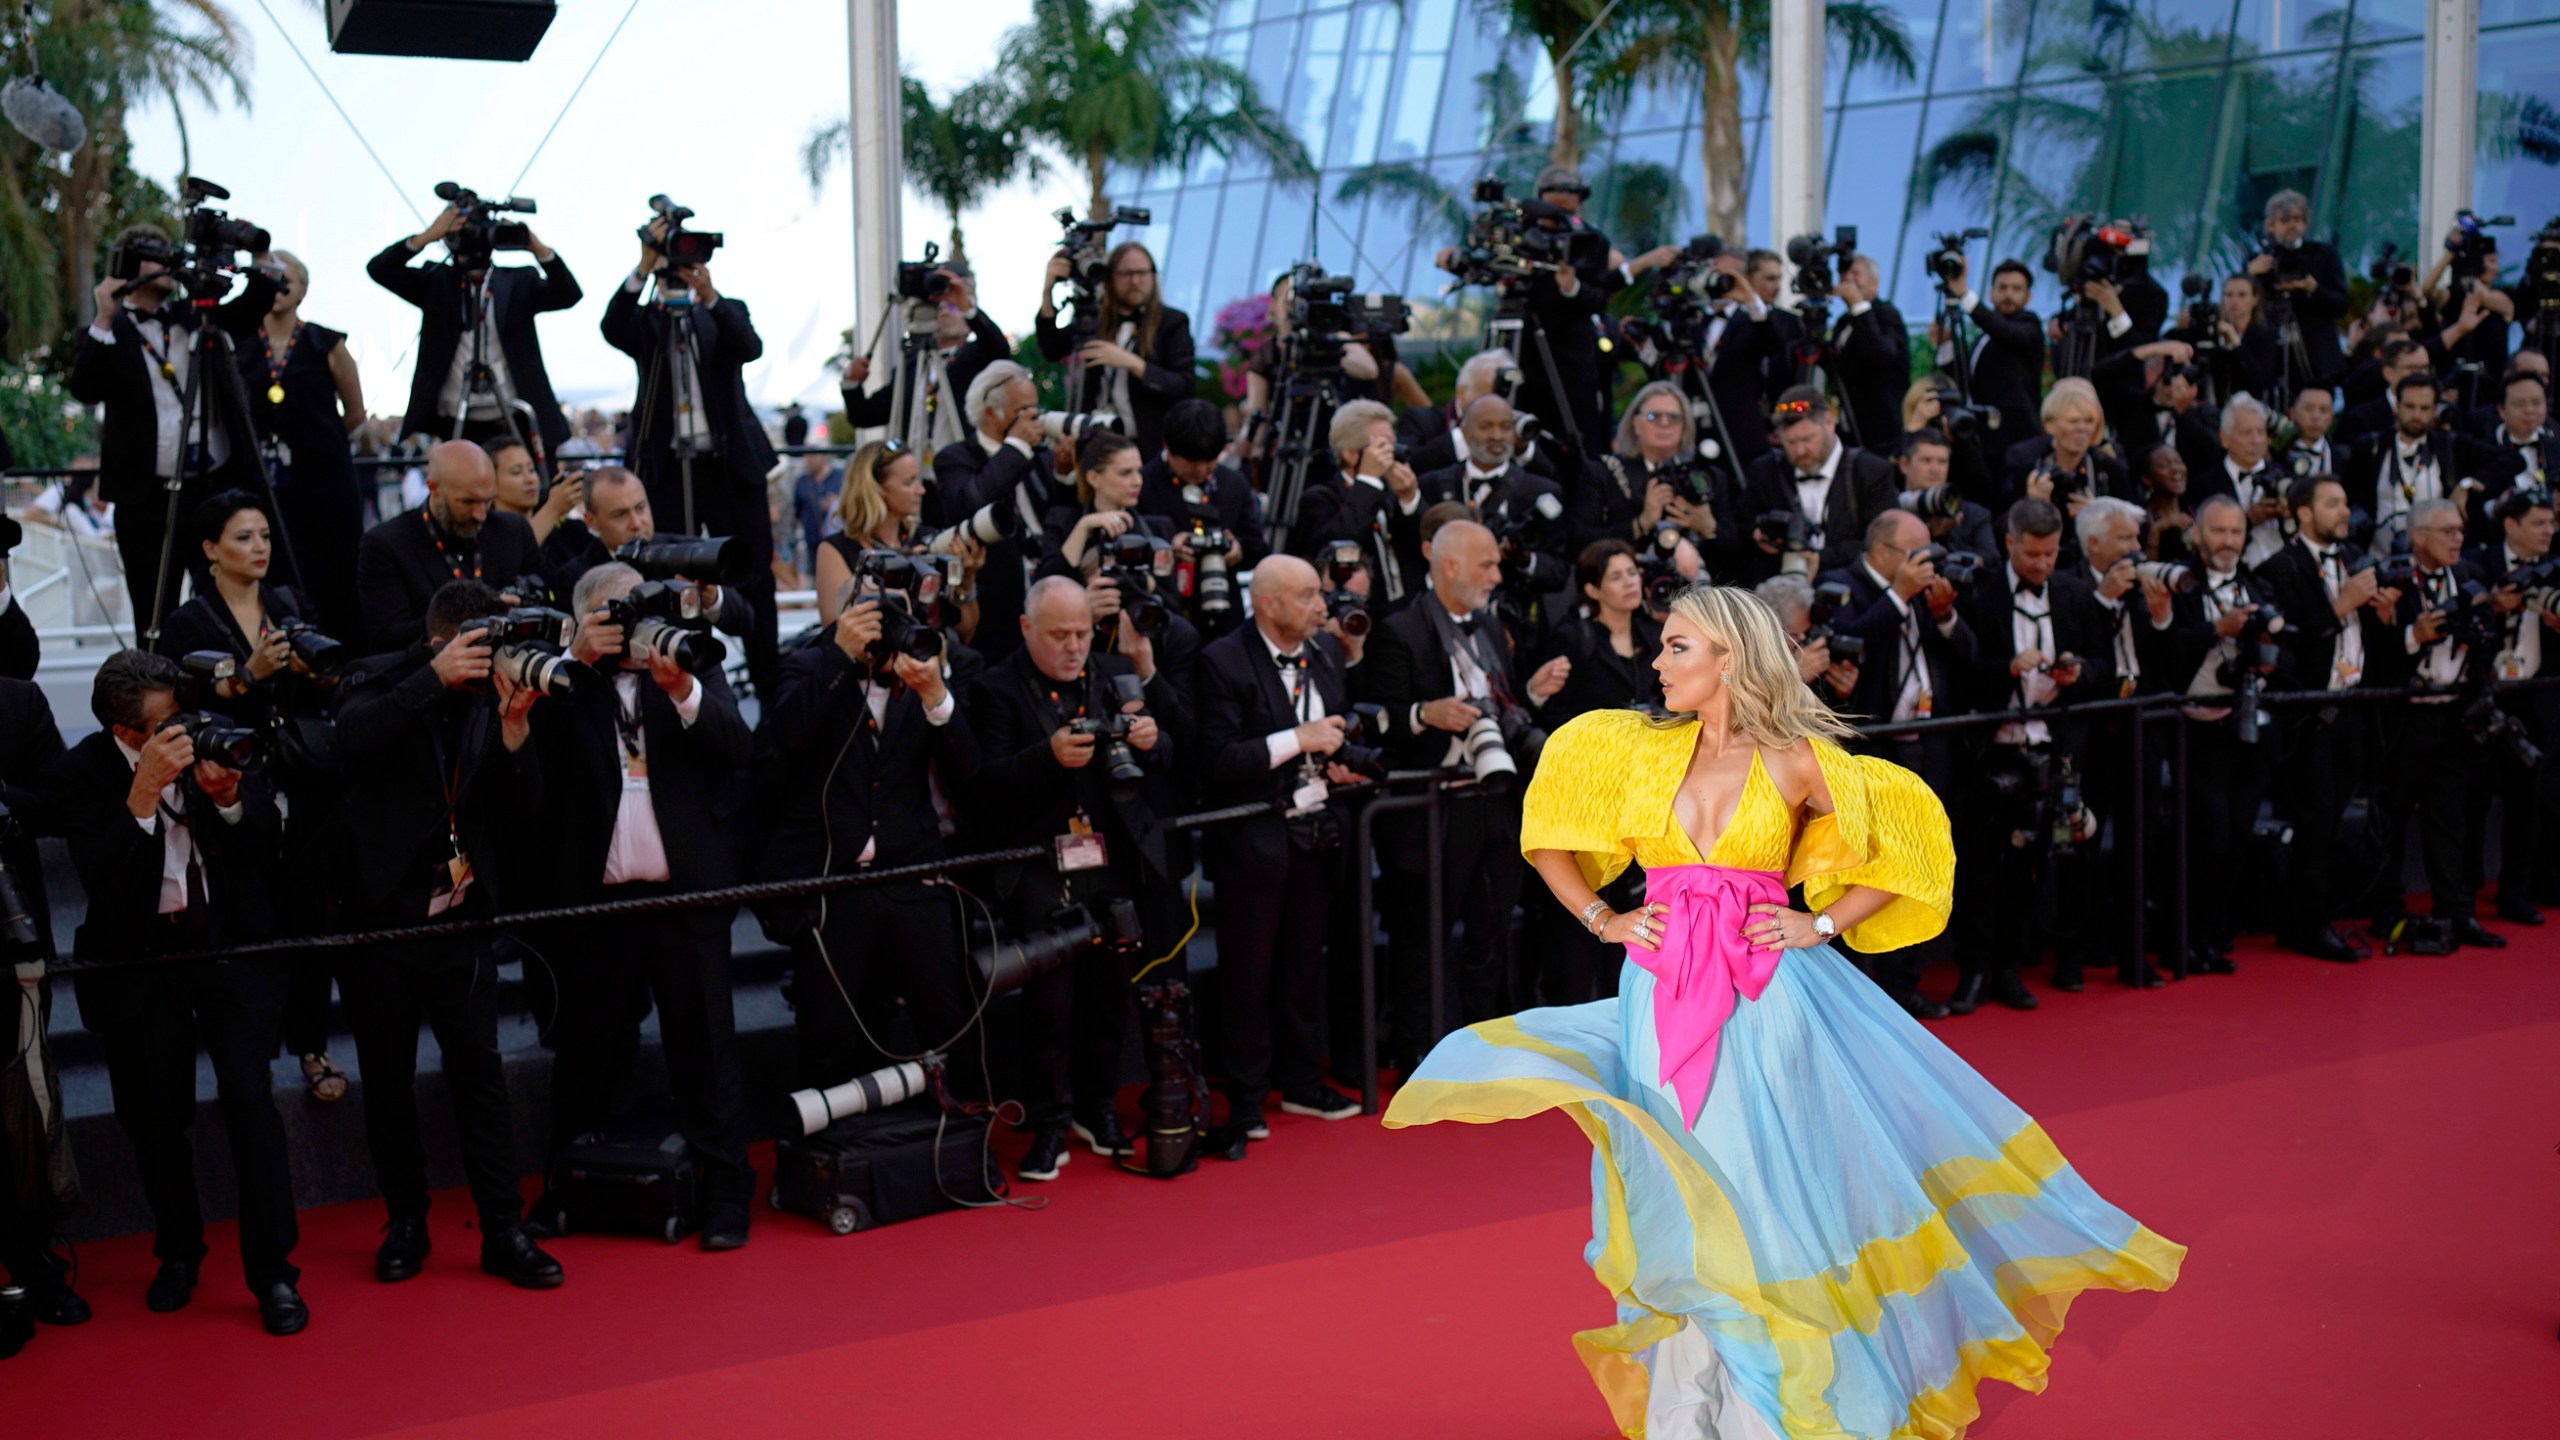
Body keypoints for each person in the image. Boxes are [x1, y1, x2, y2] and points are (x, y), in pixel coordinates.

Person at [1383, 583, 2182, 1438]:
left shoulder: (1798, 755)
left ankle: (1790, 1412)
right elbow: (1546, 838)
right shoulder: (1636, 750)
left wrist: (1824, 921)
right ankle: (1694, 1416)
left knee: (1764, 1196)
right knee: (1678, 1197)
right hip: (1656, 999)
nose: (1658, 662)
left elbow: (1906, 850)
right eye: (1661, 646)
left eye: (1677, 647)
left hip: (1766, 1006)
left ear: (1729, 656)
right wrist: (1604, 917)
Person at [58, 649, 307, 1334]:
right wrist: (142, 795)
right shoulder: (82, 772)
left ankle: (274, 1274)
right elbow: (105, 887)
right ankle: (179, 1253)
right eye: (170, 725)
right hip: (142, 961)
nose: (187, 732)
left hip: (228, 948)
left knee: (252, 1103)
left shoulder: (216, 740)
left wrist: (228, 798)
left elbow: (269, 844)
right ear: (130, 733)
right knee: (156, 1119)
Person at [332, 580, 562, 1290]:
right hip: (379, 926)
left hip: (460, 922)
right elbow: (348, 742)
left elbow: (525, 818)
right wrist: (430, 682)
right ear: (443, 642)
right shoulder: (378, 679)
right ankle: (406, 1223)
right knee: (390, 1083)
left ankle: (502, 1228)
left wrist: (517, 731)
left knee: (481, 1079)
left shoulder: (488, 700)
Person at [529, 562, 758, 1250]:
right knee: (585, 1055)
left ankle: (724, 1194)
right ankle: (566, 1183)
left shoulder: (690, 658)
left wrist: (681, 689)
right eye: (612, 614)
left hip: (685, 896)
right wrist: (573, 663)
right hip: (596, 908)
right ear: (582, 621)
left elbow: (738, 746)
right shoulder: (563, 683)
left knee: (706, 1053)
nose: (628, 624)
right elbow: (532, 761)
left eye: (635, 608)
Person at [966, 576, 1184, 1176]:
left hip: (1112, 859)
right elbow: (979, 787)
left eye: (1083, 632)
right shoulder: (993, 688)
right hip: (1037, 865)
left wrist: (1150, 737)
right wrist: (1047, 756)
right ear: (1026, 628)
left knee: (1111, 995)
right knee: (1049, 1006)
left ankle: (1098, 1109)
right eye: (1059, 634)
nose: (1073, 646)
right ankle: (1049, 1122)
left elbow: (1171, 758)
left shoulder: (1113, 672)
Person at [753, 571, 987, 1101]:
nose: (892, 628)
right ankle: (829, 1161)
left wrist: (937, 699)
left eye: (901, 614)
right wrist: (839, 654)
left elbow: (969, 774)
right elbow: (780, 742)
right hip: (833, 886)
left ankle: (967, 1142)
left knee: (949, 1016)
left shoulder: (925, 673)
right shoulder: (811, 665)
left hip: (911, 876)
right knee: (828, 1032)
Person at [153, 491, 351, 1104]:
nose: (259, 547)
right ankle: (255, 1053)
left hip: (303, 779)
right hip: (236, 788)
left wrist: (316, 674)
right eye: (243, 537)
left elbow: (328, 687)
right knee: (250, 920)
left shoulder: (288, 604)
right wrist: (248, 675)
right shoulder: (189, 622)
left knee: (310, 914)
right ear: (210, 550)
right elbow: (185, 704)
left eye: (264, 535)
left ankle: (313, 1046)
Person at [1357, 520, 1570, 1061]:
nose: (1497, 576)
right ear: (1449, 565)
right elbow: (1372, 722)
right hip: (1433, 809)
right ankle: (1423, 1055)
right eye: (1487, 565)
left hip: (1495, 800)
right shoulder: (1399, 628)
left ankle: (1486, 1049)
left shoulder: (1491, 627)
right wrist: (1424, 715)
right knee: (1423, 936)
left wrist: (1529, 695)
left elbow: (1496, 703)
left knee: (1492, 927)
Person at [1194, 555, 1367, 1137]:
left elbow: (1332, 735)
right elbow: (1216, 762)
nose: (1321, 606)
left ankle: (1299, 1081)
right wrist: (1298, 739)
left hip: (1318, 834)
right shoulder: (1221, 662)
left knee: (1300, 968)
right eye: (1305, 596)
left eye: (1319, 593)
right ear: (1265, 604)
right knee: (1247, 974)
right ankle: (1245, 1098)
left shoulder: (1325, 653)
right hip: (1253, 844)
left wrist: (1335, 763)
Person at [68, 225, 280, 632]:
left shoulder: (197, 315)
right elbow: (85, 388)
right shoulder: (111, 330)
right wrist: (104, 316)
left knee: (225, 603)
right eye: (153, 256)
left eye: (169, 255)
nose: (166, 263)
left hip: (211, 486)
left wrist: (260, 254)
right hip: (145, 496)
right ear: (128, 267)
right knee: (153, 613)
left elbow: (254, 303)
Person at [602, 224, 780, 699]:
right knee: (670, 571)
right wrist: (643, 268)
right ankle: (686, 682)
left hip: (730, 466)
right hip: (665, 469)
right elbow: (611, 327)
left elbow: (750, 346)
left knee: (754, 577)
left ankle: (770, 693)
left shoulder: (723, 311)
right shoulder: (647, 321)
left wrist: (709, 294)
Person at [1956, 498, 2115, 1004]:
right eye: (2031, 555)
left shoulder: (2074, 593)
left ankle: (2008, 967)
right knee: (1979, 868)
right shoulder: (1980, 594)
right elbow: (1960, 669)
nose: (2042, 564)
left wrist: (2076, 672)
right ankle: (1973, 972)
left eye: (2049, 555)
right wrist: (2006, 668)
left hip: (2054, 755)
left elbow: (2102, 668)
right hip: (1990, 753)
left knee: (2033, 867)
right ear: (2009, 543)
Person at [2258, 473, 2397, 962]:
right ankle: (2307, 924)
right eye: (2332, 504)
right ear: (2302, 514)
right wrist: (2343, 605)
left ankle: (2310, 917)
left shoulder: (2354, 561)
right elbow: (2288, 643)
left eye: (2345, 502)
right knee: (2314, 820)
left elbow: (2363, 640)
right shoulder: (2280, 567)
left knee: (2335, 818)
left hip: (2353, 709)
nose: (2344, 512)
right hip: (2307, 717)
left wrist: (2382, 618)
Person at [2365, 499, 2504, 950]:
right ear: (2418, 536)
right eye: (2446, 531)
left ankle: (2456, 912)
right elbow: (2375, 659)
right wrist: (2412, 636)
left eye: (2460, 531)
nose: (2457, 539)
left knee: (2450, 819)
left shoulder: (2466, 580)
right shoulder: (2393, 583)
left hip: (2452, 714)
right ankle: (2387, 914)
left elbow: (2486, 642)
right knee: (2393, 818)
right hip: (2404, 719)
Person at [367, 202, 579, 460]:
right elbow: (379, 270)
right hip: (455, 417)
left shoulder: (520, 281)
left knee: (525, 487)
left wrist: (537, 248)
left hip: (513, 415)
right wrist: (426, 237)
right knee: (463, 490)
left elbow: (568, 294)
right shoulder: (436, 281)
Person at [2164, 495, 2276, 974]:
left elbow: (2283, 655)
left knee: (2235, 836)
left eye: (2235, 532)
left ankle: (2212, 934)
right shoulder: (2180, 586)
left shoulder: (2260, 585)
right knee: (2203, 839)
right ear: (2197, 534)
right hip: (2195, 731)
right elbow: (2165, 653)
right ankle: (2181, 939)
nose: (2228, 541)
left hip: (2249, 727)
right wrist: (2216, 629)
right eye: (2218, 532)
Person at [243, 249, 368, 638]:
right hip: (264, 482)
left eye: (287, 279)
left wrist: (319, 444)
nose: (278, 288)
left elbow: (355, 413)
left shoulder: (325, 343)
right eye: (270, 278)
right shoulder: (242, 343)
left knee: (333, 572)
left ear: (303, 290)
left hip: (323, 481)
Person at [2460, 488, 2559, 925]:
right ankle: (2464, 890)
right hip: (2484, 697)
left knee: (2530, 801)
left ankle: (2516, 890)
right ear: (2511, 525)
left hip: (2538, 699)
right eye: (2539, 523)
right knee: (2475, 798)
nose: (2549, 531)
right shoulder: (2478, 563)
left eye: (2552, 523)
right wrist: (2493, 610)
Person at [354, 439, 543, 654]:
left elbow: (545, 599)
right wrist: (477, 616)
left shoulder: (513, 530)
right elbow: (387, 639)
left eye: (488, 500)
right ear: (434, 488)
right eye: (468, 502)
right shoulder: (386, 544)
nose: (481, 514)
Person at [933, 361, 1062, 661]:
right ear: (990, 413)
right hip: (995, 611)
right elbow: (970, 505)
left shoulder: (1038, 455)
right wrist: (1015, 447)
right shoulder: (955, 458)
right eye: (1024, 410)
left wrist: (1066, 475)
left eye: (1036, 409)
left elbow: (1059, 514)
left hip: (1049, 598)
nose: (1035, 418)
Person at [1036, 240, 1196, 458]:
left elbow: (1183, 385)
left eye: (1142, 273)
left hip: (1149, 447)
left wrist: (1132, 363)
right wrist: (1047, 294)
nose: (1135, 281)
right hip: (1096, 441)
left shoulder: (1172, 322)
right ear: (1109, 277)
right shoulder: (1095, 319)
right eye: (1126, 274)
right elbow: (1052, 349)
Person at [1570, 378, 1734, 574]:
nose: (1664, 423)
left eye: (1673, 417)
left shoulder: (1710, 477)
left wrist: (1708, 527)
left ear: (1685, 426)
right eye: (1653, 417)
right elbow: (1577, 542)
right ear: (1635, 424)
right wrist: (1641, 524)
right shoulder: (1603, 472)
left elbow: (1739, 551)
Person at [841, 263, 1011, 451]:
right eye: (939, 307)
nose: (946, 312)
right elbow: (864, 415)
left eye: (953, 308)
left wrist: (967, 307)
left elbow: (999, 348)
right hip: (914, 473)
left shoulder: (978, 356)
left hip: (962, 471)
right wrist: (851, 384)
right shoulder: (913, 364)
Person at [1738, 386, 1899, 583]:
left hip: (1850, 588)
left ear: (1829, 423)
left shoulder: (1870, 471)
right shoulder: (1765, 470)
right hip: (1781, 588)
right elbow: (1741, 525)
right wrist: (1757, 535)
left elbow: (1881, 543)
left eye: (1808, 439)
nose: (1800, 450)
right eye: (1790, 442)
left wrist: (1820, 558)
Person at [1931, 256, 2044, 446]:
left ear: (2028, 296)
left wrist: (1965, 296)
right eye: (2002, 288)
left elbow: (2006, 332)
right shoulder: (1984, 336)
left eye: (2017, 289)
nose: (2009, 294)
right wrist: (1945, 344)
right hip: (1984, 434)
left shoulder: (2029, 325)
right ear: (1991, 293)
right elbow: (1967, 380)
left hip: (2017, 437)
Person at [2246, 190, 2350, 391]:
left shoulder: (2323, 254)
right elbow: (2239, 306)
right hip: (2274, 356)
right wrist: (2249, 275)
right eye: (2285, 220)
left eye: (2298, 219)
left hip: (2317, 360)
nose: (2293, 225)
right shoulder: (2260, 261)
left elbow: (2341, 305)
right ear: (2270, 225)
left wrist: (2313, 289)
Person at [2000, 377, 2129, 519]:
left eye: (2089, 421)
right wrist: (2033, 507)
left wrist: (2097, 517)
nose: (2082, 428)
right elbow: (2002, 528)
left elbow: (2136, 529)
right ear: (2050, 424)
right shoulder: (2028, 473)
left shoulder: (2110, 472)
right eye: (2073, 421)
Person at [1825, 252, 1911, 451]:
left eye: (1856, 273)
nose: (1848, 279)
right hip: (1849, 427)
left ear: (1874, 284)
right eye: (1844, 274)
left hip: (1883, 432)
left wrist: (1859, 306)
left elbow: (1879, 353)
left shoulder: (1886, 313)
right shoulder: (1842, 322)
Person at [487, 436, 579, 550]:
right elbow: (513, 557)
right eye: (516, 472)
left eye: (531, 469)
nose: (530, 479)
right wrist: (553, 509)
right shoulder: (486, 536)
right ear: (491, 484)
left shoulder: (565, 531)